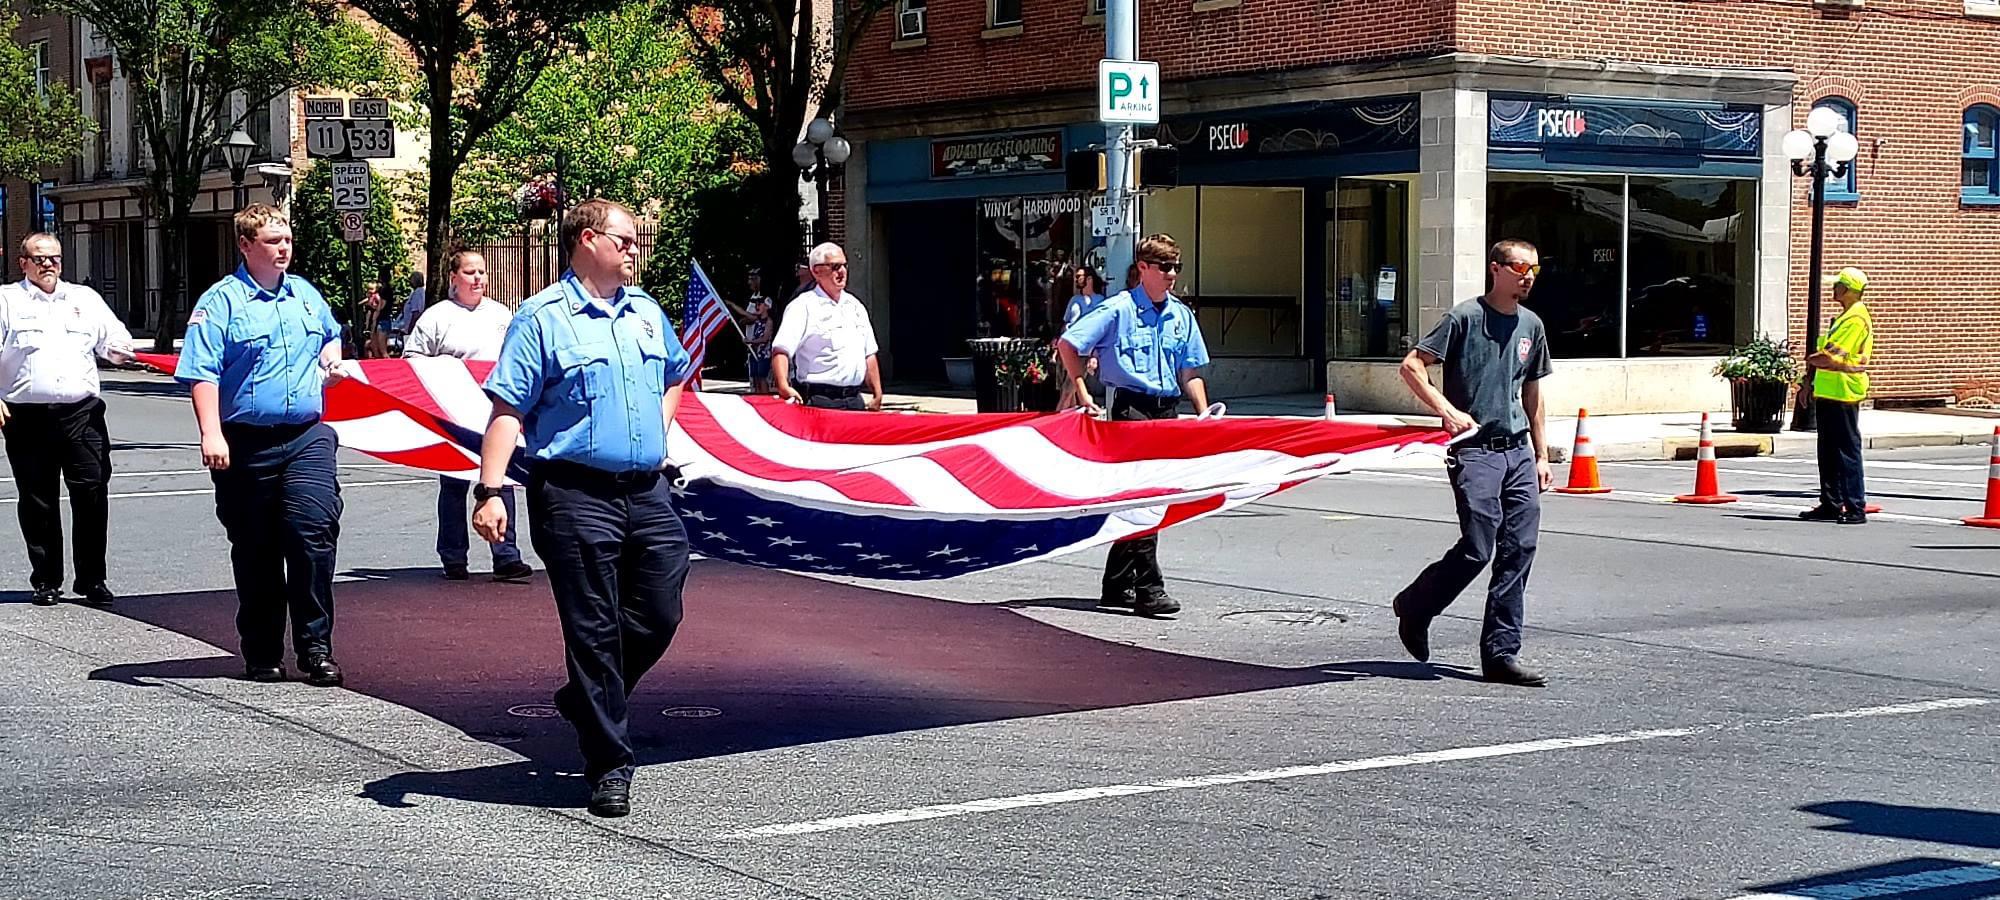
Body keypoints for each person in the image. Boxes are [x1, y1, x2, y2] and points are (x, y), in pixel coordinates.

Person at [473, 199, 693, 819]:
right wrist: (490, 491)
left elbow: (677, 374)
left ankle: (585, 695)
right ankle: (610, 762)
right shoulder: (542, 319)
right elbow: (508, 409)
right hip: (572, 493)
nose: (634, 248)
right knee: (593, 630)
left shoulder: (647, 312)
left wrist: (657, 424)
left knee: (661, 609)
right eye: (624, 239)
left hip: (647, 490)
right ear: (588, 240)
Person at [174, 204, 350, 687]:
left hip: (306, 436)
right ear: (246, 246)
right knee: (256, 549)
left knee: (312, 534)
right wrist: (211, 432)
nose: (284, 248)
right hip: (245, 441)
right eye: (273, 241)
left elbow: (330, 337)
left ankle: (316, 647)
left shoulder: (306, 296)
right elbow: (201, 373)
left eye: (287, 239)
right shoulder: (221, 303)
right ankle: (263, 650)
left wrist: (331, 362)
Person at [1390, 238, 1554, 688]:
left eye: (1535, 270)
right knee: (1478, 547)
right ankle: (1416, 604)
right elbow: (1411, 366)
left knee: (1518, 548)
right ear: (1496, 268)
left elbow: (1533, 394)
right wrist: (1446, 410)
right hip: (1476, 450)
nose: (1528, 277)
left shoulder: (1531, 326)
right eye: (1521, 267)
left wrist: (1541, 454)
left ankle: (1501, 653)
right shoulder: (1465, 318)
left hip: (1517, 449)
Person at [1056, 234, 1212, 618]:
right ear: (1143, 269)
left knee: (1148, 498)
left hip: (1166, 411)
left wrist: (1203, 412)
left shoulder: (1180, 314)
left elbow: (1189, 369)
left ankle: (1116, 583)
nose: (1172, 274)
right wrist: (1081, 391)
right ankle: (1149, 587)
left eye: (1176, 267)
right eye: (1164, 267)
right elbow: (1068, 344)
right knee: (1147, 499)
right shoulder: (1118, 310)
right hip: (1131, 412)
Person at [0, 233, 135, 607]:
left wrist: (120, 352)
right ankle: (46, 579)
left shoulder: (84, 299)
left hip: (81, 413)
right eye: (39, 258)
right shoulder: (6, 301)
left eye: (54, 258)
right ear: (22, 262)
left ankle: (92, 578)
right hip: (27, 415)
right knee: (38, 498)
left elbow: (114, 340)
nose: (48, 265)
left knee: (91, 492)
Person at [404, 250, 534, 582]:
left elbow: (519, 357)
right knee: (454, 485)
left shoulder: (502, 315)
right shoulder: (436, 317)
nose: (478, 278)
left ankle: (506, 555)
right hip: (453, 415)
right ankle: (453, 557)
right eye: (470, 272)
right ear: (454, 278)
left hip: (494, 413)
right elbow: (412, 361)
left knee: (500, 481)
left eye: (482, 272)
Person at [771, 242, 884, 411]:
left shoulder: (855, 306)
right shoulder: (803, 306)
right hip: (820, 400)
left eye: (845, 265)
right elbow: (781, 350)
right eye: (835, 266)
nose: (842, 271)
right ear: (817, 271)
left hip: (854, 400)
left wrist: (877, 392)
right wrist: (783, 386)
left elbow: (869, 353)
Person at [1801, 267, 1874, 525]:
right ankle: (1831, 503)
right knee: (1828, 451)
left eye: (1838, 286)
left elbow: (1831, 357)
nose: (1834, 289)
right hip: (1829, 391)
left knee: (1847, 452)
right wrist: (1807, 382)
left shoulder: (1855, 319)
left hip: (1845, 393)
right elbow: (1825, 357)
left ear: (1849, 290)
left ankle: (1855, 506)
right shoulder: (1843, 318)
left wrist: (1809, 360)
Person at [723, 268, 775, 394]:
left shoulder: (767, 314)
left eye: (753, 278)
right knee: (755, 378)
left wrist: (733, 306)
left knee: (763, 378)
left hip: (762, 351)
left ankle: (764, 399)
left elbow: (753, 318)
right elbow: (749, 318)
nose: (757, 305)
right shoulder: (752, 297)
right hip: (752, 348)